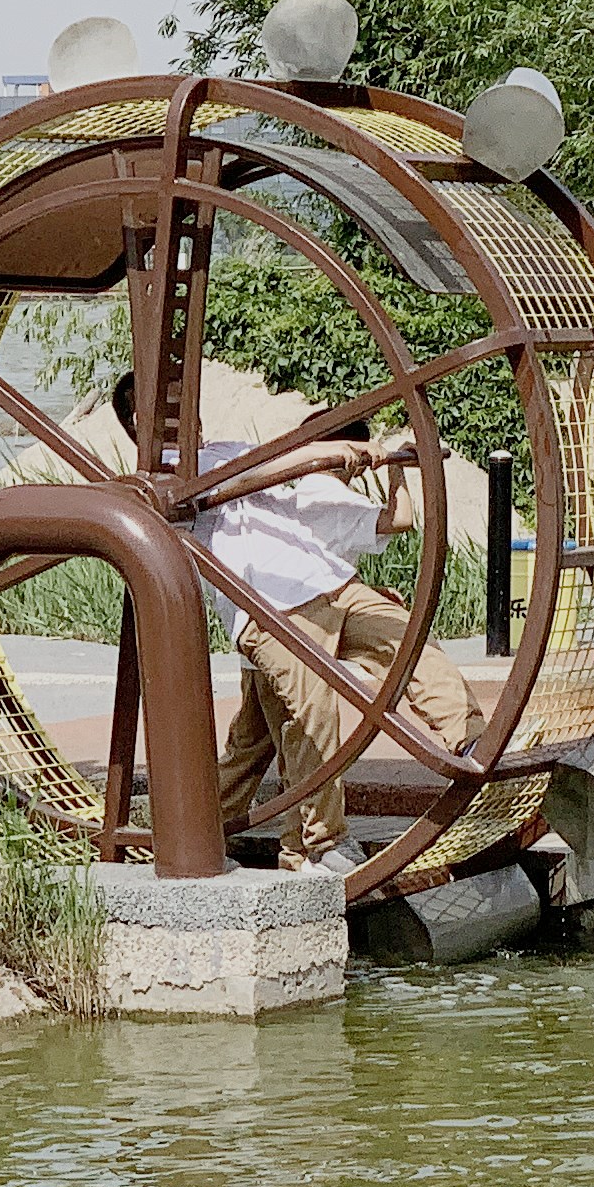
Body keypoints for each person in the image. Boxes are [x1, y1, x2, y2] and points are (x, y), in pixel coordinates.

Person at [112, 373, 473, 872]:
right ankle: (317, 843)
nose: (191, 421)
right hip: (269, 610)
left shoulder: (227, 449)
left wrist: (371, 460)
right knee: (310, 713)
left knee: (406, 641)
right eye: (173, 414)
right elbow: (281, 463)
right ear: (140, 424)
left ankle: (469, 737)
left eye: (189, 409)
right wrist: (356, 449)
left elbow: (285, 474)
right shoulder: (165, 483)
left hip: (330, 584)